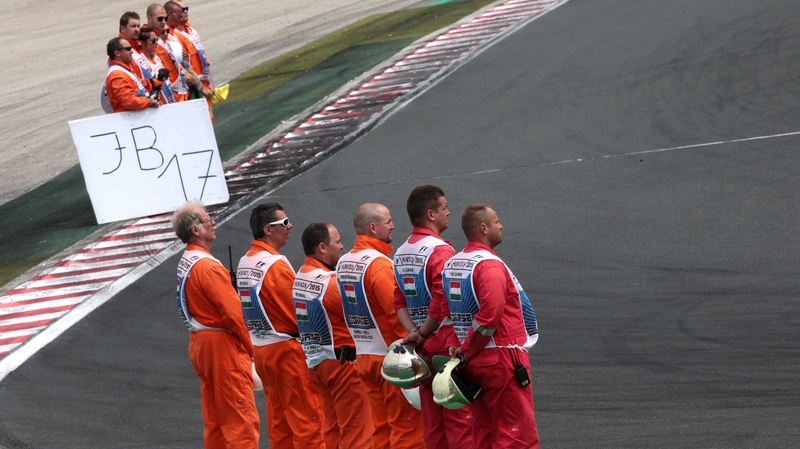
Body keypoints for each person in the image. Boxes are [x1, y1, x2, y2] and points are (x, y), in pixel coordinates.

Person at [442, 204, 540, 448]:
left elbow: (445, 313)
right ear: (483, 228)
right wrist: (468, 348)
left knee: (484, 432)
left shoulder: (452, 264)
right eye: (497, 221)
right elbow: (490, 315)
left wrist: (455, 345)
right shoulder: (489, 265)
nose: (501, 226)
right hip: (500, 358)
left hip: (470, 362)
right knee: (516, 435)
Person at [171, 200, 260, 448]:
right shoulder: (208, 267)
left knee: (216, 421)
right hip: (221, 347)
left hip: (200, 343)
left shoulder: (187, 260)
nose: (213, 222)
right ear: (196, 230)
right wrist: (254, 351)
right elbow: (235, 315)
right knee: (240, 421)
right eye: (207, 219)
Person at [236, 203, 325, 449]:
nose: (290, 226)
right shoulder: (274, 265)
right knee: (309, 421)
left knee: (280, 423)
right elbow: (298, 313)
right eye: (284, 222)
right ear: (268, 229)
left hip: (263, 350)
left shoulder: (245, 261)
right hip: (287, 351)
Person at [336, 203, 423, 449]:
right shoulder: (380, 265)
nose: (393, 226)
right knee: (408, 430)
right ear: (373, 227)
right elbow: (395, 313)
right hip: (392, 359)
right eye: (388, 221)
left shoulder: (344, 262)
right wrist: (416, 348)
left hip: (365, 358)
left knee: (382, 428)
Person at [393, 186, 473, 449]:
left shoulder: (400, 252)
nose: (448, 212)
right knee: (461, 424)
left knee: (434, 426)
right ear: (430, 214)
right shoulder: (440, 251)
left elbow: (398, 300)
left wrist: (414, 332)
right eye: (444, 207)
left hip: (421, 349)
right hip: (444, 344)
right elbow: (442, 301)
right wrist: (425, 331)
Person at [295, 223, 374, 449]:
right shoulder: (329, 283)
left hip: (317, 363)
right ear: (322, 247)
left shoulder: (301, 275)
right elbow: (362, 315)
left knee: (332, 431)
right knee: (357, 434)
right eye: (337, 242)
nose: (342, 246)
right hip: (342, 366)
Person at [165, 0, 215, 115]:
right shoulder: (173, 36)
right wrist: (200, 86)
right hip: (193, 87)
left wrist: (210, 82)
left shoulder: (191, 30)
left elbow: (204, 59)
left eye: (186, 9)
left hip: (204, 84)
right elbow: (184, 66)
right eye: (181, 11)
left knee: (209, 120)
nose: (185, 12)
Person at [145, 3, 190, 101]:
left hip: (180, 93)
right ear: (149, 18)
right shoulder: (145, 40)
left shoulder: (164, 38)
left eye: (165, 18)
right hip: (165, 96)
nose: (163, 22)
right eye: (160, 19)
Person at [104, 37, 159, 112]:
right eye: (128, 49)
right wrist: (149, 102)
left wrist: (153, 83)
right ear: (117, 53)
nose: (132, 51)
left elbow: (140, 87)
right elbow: (129, 101)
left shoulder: (125, 70)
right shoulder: (117, 75)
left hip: (138, 115)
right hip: (131, 117)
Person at [139, 27, 176, 104]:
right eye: (153, 40)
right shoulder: (140, 64)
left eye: (157, 39)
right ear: (142, 43)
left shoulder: (156, 57)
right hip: (156, 104)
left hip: (169, 99)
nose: (156, 43)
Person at [118, 11, 148, 79]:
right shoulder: (119, 52)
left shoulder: (138, 45)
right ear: (122, 28)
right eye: (133, 26)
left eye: (138, 26)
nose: (137, 29)